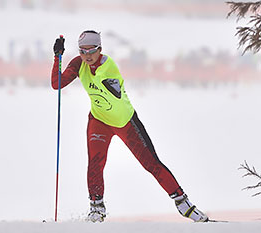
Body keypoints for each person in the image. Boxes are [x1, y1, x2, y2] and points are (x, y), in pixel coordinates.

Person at [51, 30, 208, 223]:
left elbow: (114, 89)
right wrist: (57, 58)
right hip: (99, 121)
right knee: (95, 164)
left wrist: (111, 86)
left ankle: (183, 204)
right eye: (82, 51)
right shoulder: (79, 63)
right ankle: (96, 207)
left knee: (151, 164)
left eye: (91, 51)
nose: (87, 56)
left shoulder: (108, 67)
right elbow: (56, 84)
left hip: (125, 122)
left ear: (100, 49)